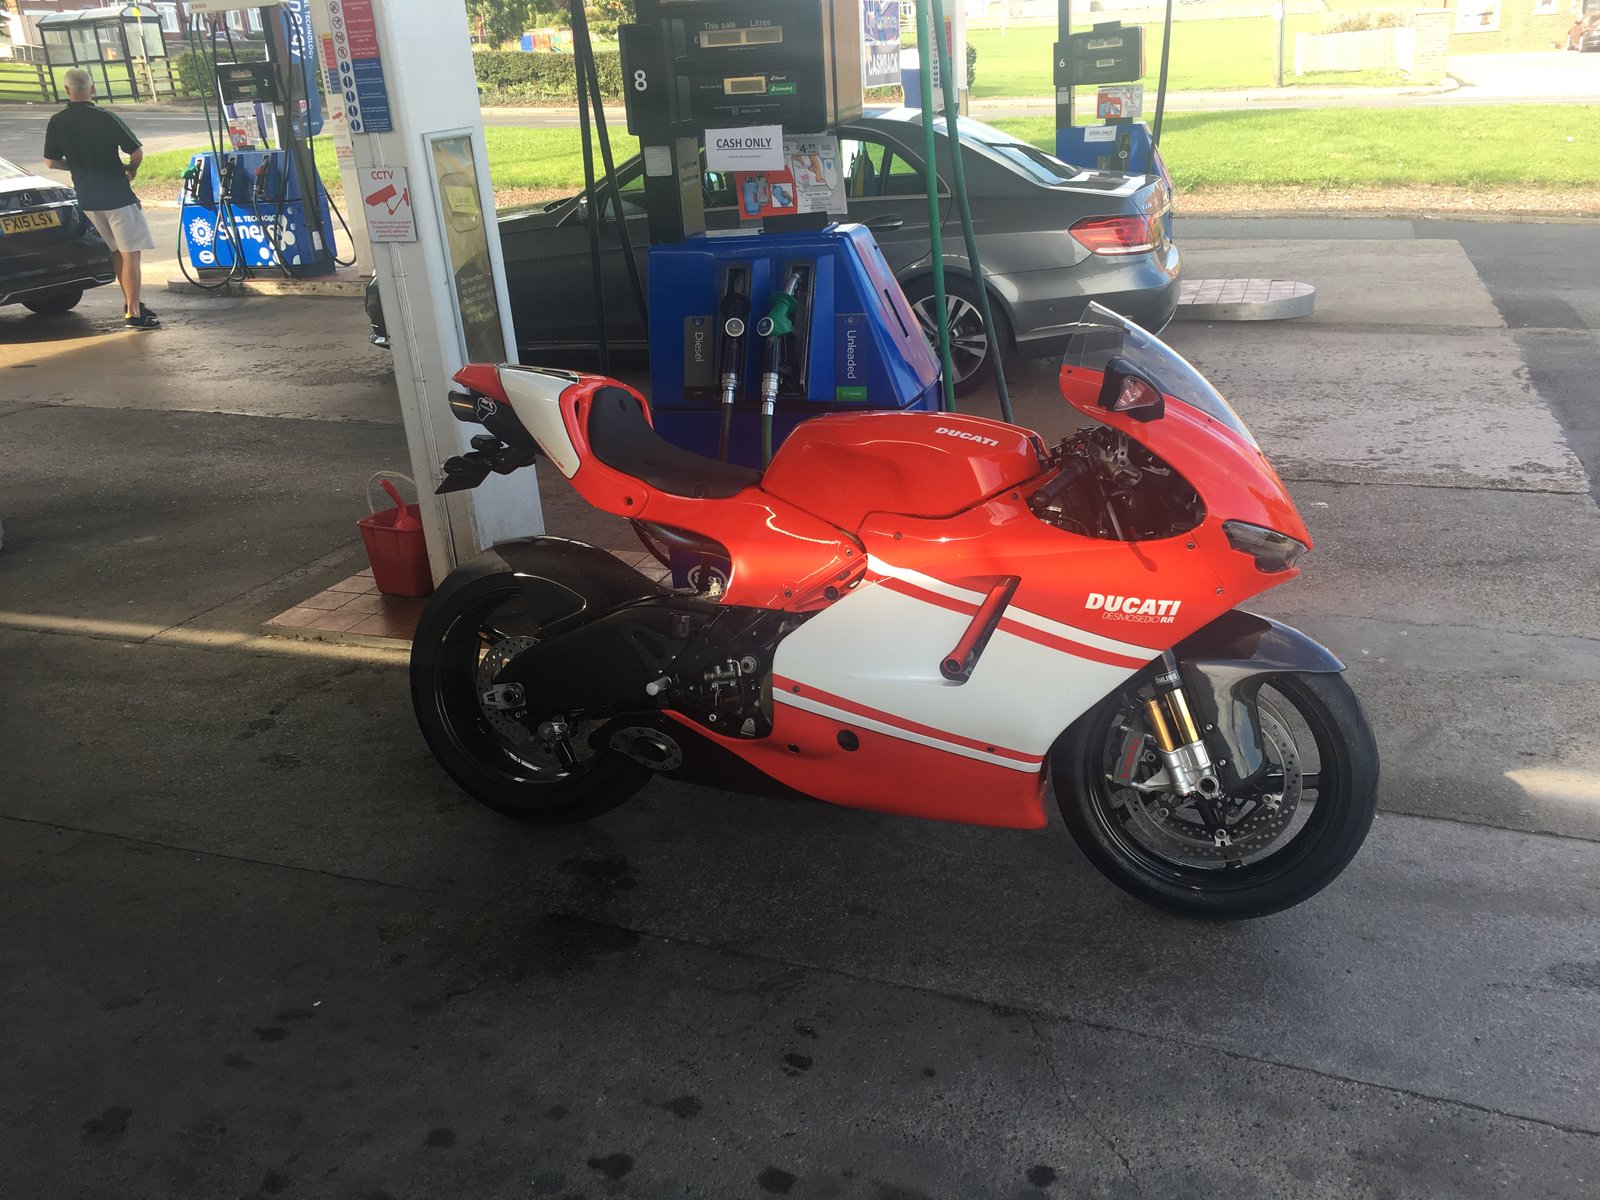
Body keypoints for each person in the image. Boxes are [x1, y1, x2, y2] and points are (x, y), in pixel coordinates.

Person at [42, 68, 160, 330]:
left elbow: (50, 161)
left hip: (87, 197)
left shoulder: (57, 121)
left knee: (117, 251)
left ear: (67, 90)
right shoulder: (105, 117)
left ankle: (130, 302)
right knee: (131, 253)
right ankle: (134, 313)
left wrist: (76, 166)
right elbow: (136, 152)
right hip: (117, 195)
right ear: (92, 89)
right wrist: (131, 169)